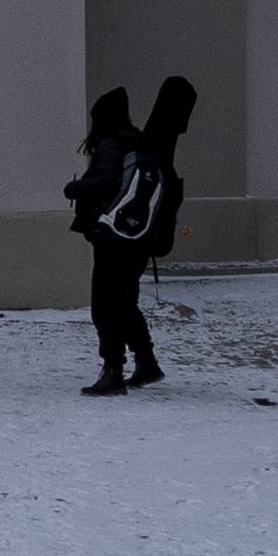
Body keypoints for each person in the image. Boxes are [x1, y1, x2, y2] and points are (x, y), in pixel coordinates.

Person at [67, 75, 196, 393]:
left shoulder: (112, 144)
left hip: (113, 237)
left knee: (105, 306)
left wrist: (75, 188)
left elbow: (105, 183)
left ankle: (112, 371)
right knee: (125, 303)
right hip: (140, 238)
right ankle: (147, 363)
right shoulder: (142, 143)